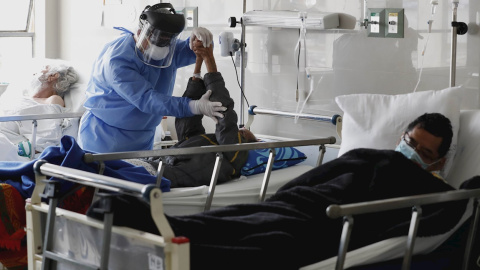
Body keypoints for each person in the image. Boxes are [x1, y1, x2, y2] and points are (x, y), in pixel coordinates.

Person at [88, 111, 477, 270]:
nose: (412, 153)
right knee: (231, 217)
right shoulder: (369, 155)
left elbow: (444, 221)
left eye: (424, 152)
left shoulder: (435, 190)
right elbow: (315, 178)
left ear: (439, 161)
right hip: (303, 203)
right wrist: (286, 196)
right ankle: (151, 223)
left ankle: (175, 247)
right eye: (411, 142)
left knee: (273, 242)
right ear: (401, 135)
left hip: (332, 223)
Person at [78, 3, 224, 153]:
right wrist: (194, 106)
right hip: (105, 138)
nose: (162, 46)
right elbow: (147, 99)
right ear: (141, 32)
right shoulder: (117, 60)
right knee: (105, 174)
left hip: (143, 137)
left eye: (167, 41)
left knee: (142, 172)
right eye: (158, 40)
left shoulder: (168, 50)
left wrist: (201, 39)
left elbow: (194, 50)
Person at [144, 38, 257, 188]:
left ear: (245, 140)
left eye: (242, 132)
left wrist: (210, 60)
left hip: (157, 176)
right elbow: (187, 124)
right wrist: (198, 63)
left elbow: (225, 115)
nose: (240, 129)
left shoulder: (236, 153)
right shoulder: (207, 144)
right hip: (150, 165)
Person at [0, 63, 78, 159]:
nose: (34, 74)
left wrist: (16, 151)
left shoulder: (52, 100)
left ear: (52, 76)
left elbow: (44, 141)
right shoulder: (20, 98)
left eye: (42, 69)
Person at [394, 112, 452, 181]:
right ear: (400, 139)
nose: (412, 155)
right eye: (410, 143)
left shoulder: (438, 189)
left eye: (425, 154)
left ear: (439, 164)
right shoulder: (379, 159)